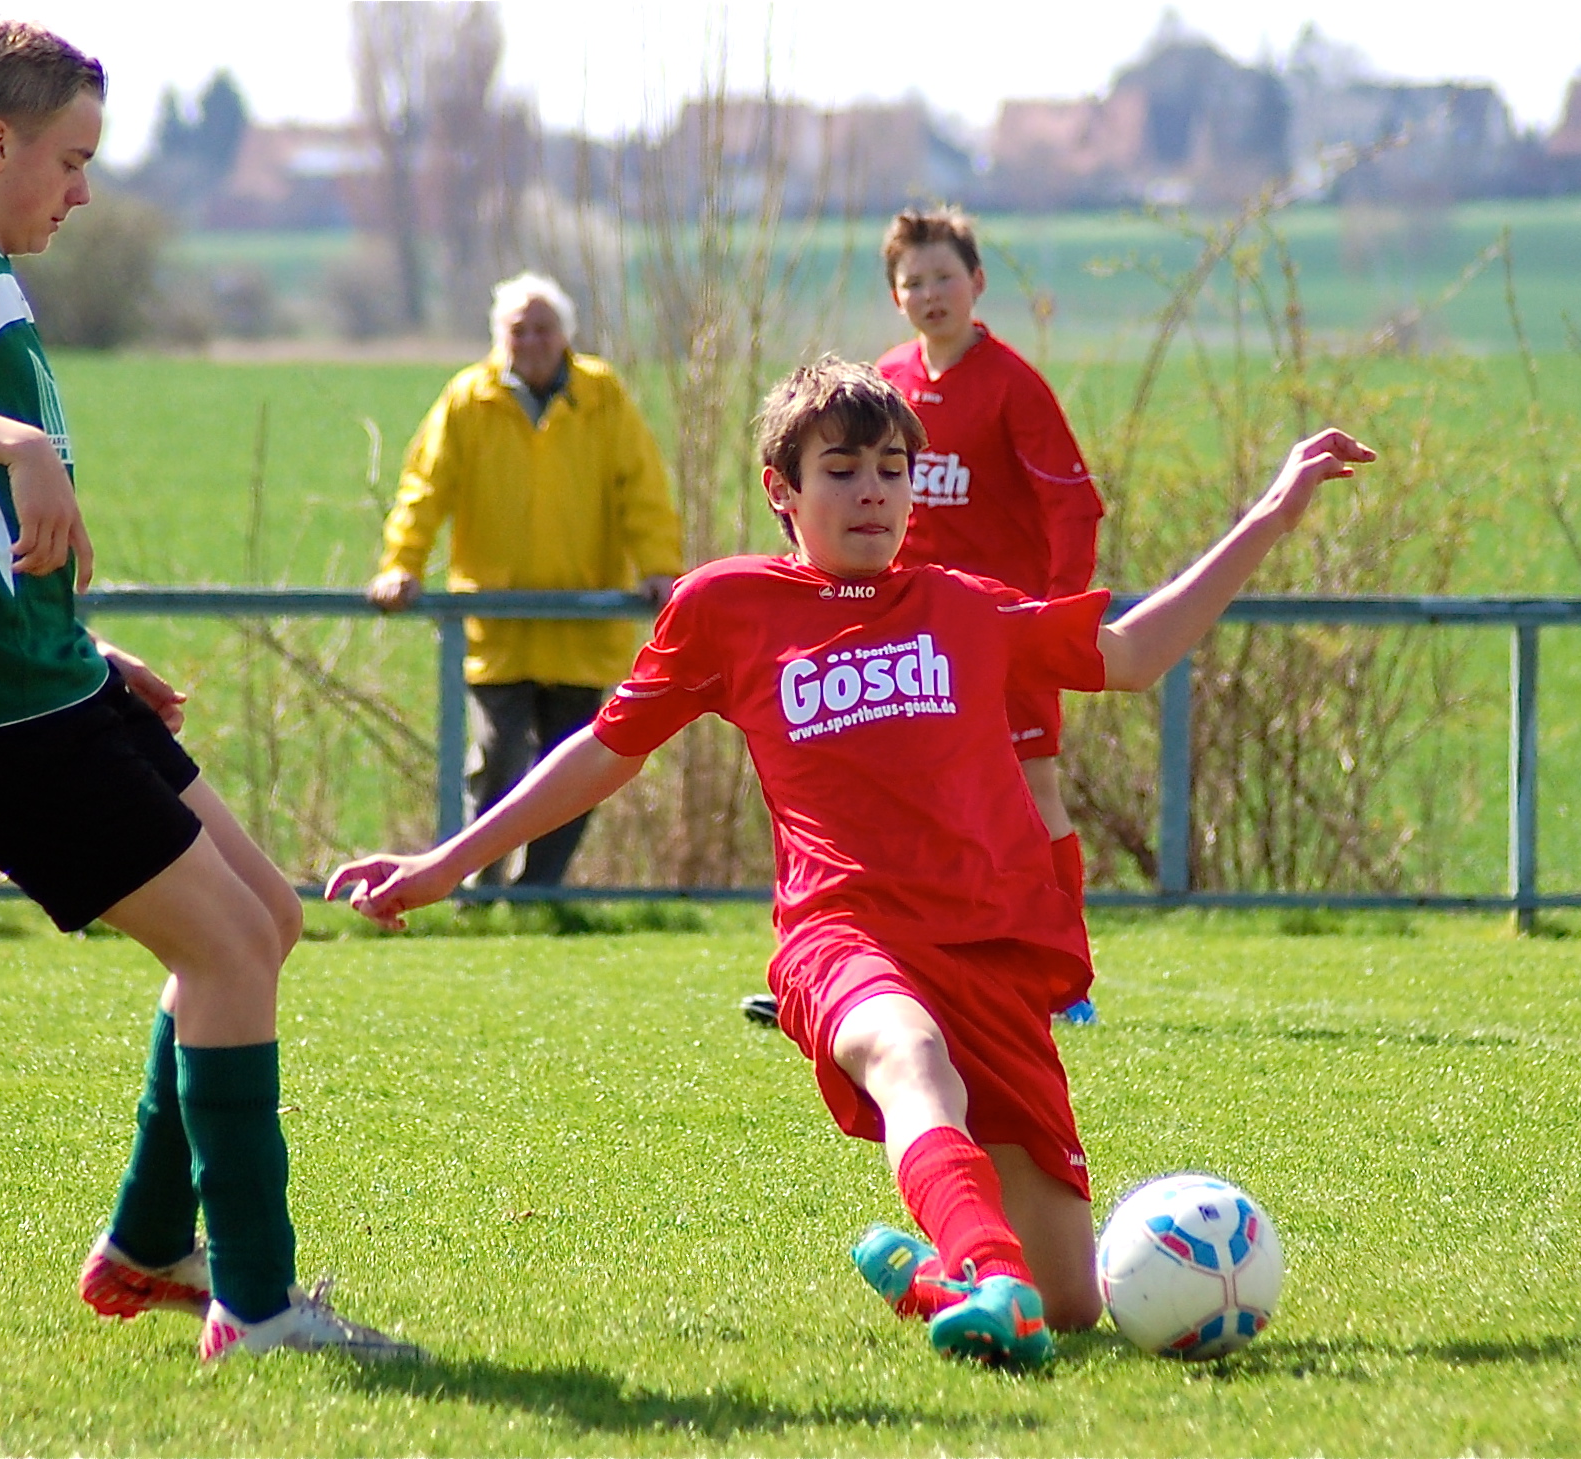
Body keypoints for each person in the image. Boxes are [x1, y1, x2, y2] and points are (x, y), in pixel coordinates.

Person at [328, 355, 1374, 1368]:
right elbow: (602, 751)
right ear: (780, 490)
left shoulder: (964, 605)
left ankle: (937, 1277)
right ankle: (987, 1278)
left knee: (1072, 1303)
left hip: (989, 947)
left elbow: (1135, 655)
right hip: (843, 935)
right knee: (908, 1057)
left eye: (891, 469)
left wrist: (1269, 515)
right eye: (840, 469)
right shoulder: (725, 606)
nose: (872, 491)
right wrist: (445, 863)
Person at [0, 11, 415, 1365]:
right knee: (225, 949)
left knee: (264, 919)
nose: (82, 192)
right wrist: (18, 441)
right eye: (71, 161)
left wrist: (84, 647)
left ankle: (150, 1245)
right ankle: (257, 1306)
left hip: (44, 679)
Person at [741, 206, 1105, 1031]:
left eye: (944, 276)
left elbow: (1073, 507)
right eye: (913, 281)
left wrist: (1054, 623)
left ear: (976, 283)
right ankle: (841, 962)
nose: (930, 293)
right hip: (903, 635)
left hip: (996, 629)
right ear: (894, 296)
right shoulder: (886, 383)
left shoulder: (1011, 384)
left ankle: (1064, 978)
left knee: (1033, 792)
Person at [368, 273, 683, 888]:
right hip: (498, 624)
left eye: (544, 329)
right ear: (499, 336)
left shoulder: (602, 395)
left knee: (577, 772)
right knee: (498, 758)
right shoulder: (468, 398)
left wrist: (658, 567)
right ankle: (474, 890)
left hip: (581, 624)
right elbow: (424, 490)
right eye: (519, 330)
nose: (532, 341)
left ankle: (539, 893)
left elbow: (641, 489)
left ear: (565, 334)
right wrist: (401, 565)